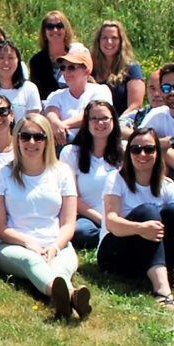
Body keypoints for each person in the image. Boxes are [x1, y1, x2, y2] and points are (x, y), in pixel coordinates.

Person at [0, 112, 90, 321]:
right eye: (25, 136)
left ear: (47, 140)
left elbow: (68, 224)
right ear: (17, 139)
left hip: (58, 245)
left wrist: (55, 247)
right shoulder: (1, 173)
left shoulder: (62, 172)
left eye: (38, 137)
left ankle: (64, 298)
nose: (31, 142)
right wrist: (28, 243)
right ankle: (70, 296)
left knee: (60, 267)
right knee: (31, 261)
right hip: (12, 245)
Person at [99, 127, 174, 308]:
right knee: (148, 212)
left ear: (157, 152)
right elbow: (112, 222)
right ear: (128, 153)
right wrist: (141, 229)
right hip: (116, 253)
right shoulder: (116, 179)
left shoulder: (167, 184)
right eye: (136, 149)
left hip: (154, 251)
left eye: (149, 149)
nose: (142, 154)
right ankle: (163, 292)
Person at [59, 100, 123, 250]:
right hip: (87, 217)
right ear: (86, 122)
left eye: (105, 118)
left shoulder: (126, 150)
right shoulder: (70, 153)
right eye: (94, 118)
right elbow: (72, 197)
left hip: (119, 214)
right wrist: (103, 220)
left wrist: (115, 221)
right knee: (81, 232)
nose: (100, 123)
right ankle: (119, 237)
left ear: (113, 120)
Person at [41, 44, 110, 141]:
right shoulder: (56, 95)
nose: (66, 72)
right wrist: (55, 123)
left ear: (86, 71)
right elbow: (51, 112)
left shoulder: (101, 90)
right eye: (63, 68)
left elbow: (93, 115)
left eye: (71, 67)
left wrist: (61, 126)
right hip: (63, 143)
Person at [89, 19, 146, 120]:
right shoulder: (90, 68)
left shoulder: (132, 69)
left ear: (121, 41)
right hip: (94, 123)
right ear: (98, 41)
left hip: (123, 122)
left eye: (114, 38)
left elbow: (135, 105)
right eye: (104, 38)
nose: (109, 42)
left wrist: (116, 123)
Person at [0, 39, 43, 117]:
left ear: (18, 61)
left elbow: (33, 121)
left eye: (10, 58)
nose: (6, 62)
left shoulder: (30, 89)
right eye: (1, 58)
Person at [27, 11, 75, 95]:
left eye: (59, 26)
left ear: (66, 30)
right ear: (44, 32)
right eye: (50, 27)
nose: (55, 30)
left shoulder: (75, 56)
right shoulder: (36, 62)